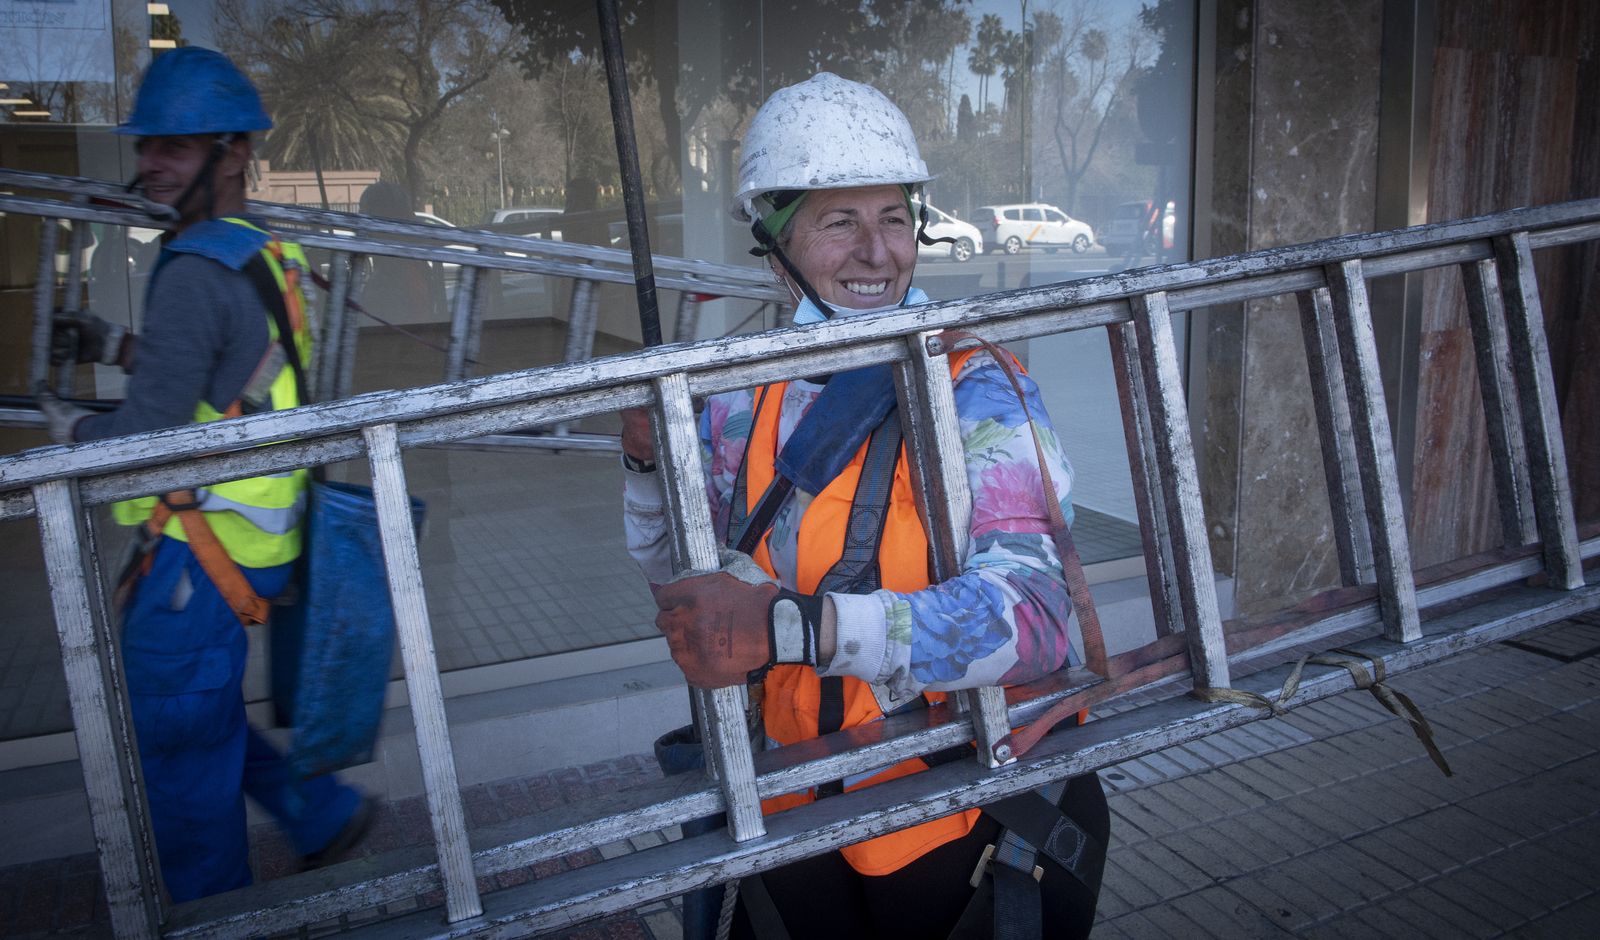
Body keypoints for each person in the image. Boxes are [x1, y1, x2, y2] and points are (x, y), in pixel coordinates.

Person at [621, 72, 1109, 939]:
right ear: (776, 242)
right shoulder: (740, 395)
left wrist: (794, 628)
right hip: (798, 802)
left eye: (894, 217)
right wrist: (646, 469)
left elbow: (1035, 619)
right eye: (839, 222)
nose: (878, 252)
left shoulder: (974, 388)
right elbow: (694, 591)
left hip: (963, 810)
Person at [35, 46, 369, 903]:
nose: (150, 163)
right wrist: (121, 347)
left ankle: (215, 914)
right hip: (253, 545)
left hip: (197, 554)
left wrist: (74, 431)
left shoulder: (190, 270)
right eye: (147, 145)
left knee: (178, 741)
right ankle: (321, 814)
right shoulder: (263, 254)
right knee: (201, 718)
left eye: (173, 148)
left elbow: (146, 431)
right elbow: (227, 375)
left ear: (232, 152)